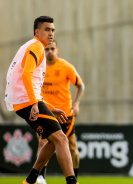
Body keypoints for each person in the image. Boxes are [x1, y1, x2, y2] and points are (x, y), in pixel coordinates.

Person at [5, 16, 78, 184]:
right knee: (61, 139)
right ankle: (72, 181)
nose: (51, 33)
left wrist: (50, 107)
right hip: (27, 103)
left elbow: (31, 84)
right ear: (37, 32)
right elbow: (26, 75)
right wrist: (35, 103)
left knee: (53, 141)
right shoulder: (37, 46)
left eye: (52, 30)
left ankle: (30, 180)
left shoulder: (32, 46)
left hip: (25, 102)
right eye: (47, 29)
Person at [36, 40, 85, 184]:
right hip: (47, 112)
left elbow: (80, 85)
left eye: (52, 49)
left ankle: (74, 178)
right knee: (42, 142)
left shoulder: (66, 67)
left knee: (71, 146)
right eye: (47, 49)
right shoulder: (39, 68)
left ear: (57, 50)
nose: (49, 51)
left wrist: (76, 104)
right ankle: (41, 177)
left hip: (65, 113)